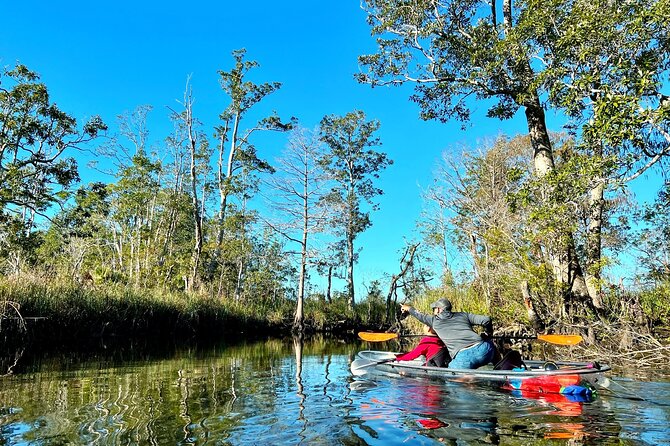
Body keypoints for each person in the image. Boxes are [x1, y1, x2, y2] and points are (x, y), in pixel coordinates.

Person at [401, 298, 495, 369]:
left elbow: (418, 315)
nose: (433, 311)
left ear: (438, 309)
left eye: (434, 309)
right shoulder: (463, 315)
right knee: (489, 343)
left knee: (451, 380)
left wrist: (407, 308)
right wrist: (488, 333)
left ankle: (468, 381)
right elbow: (486, 320)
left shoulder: (434, 320)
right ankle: (499, 366)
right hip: (485, 350)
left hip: (464, 356)